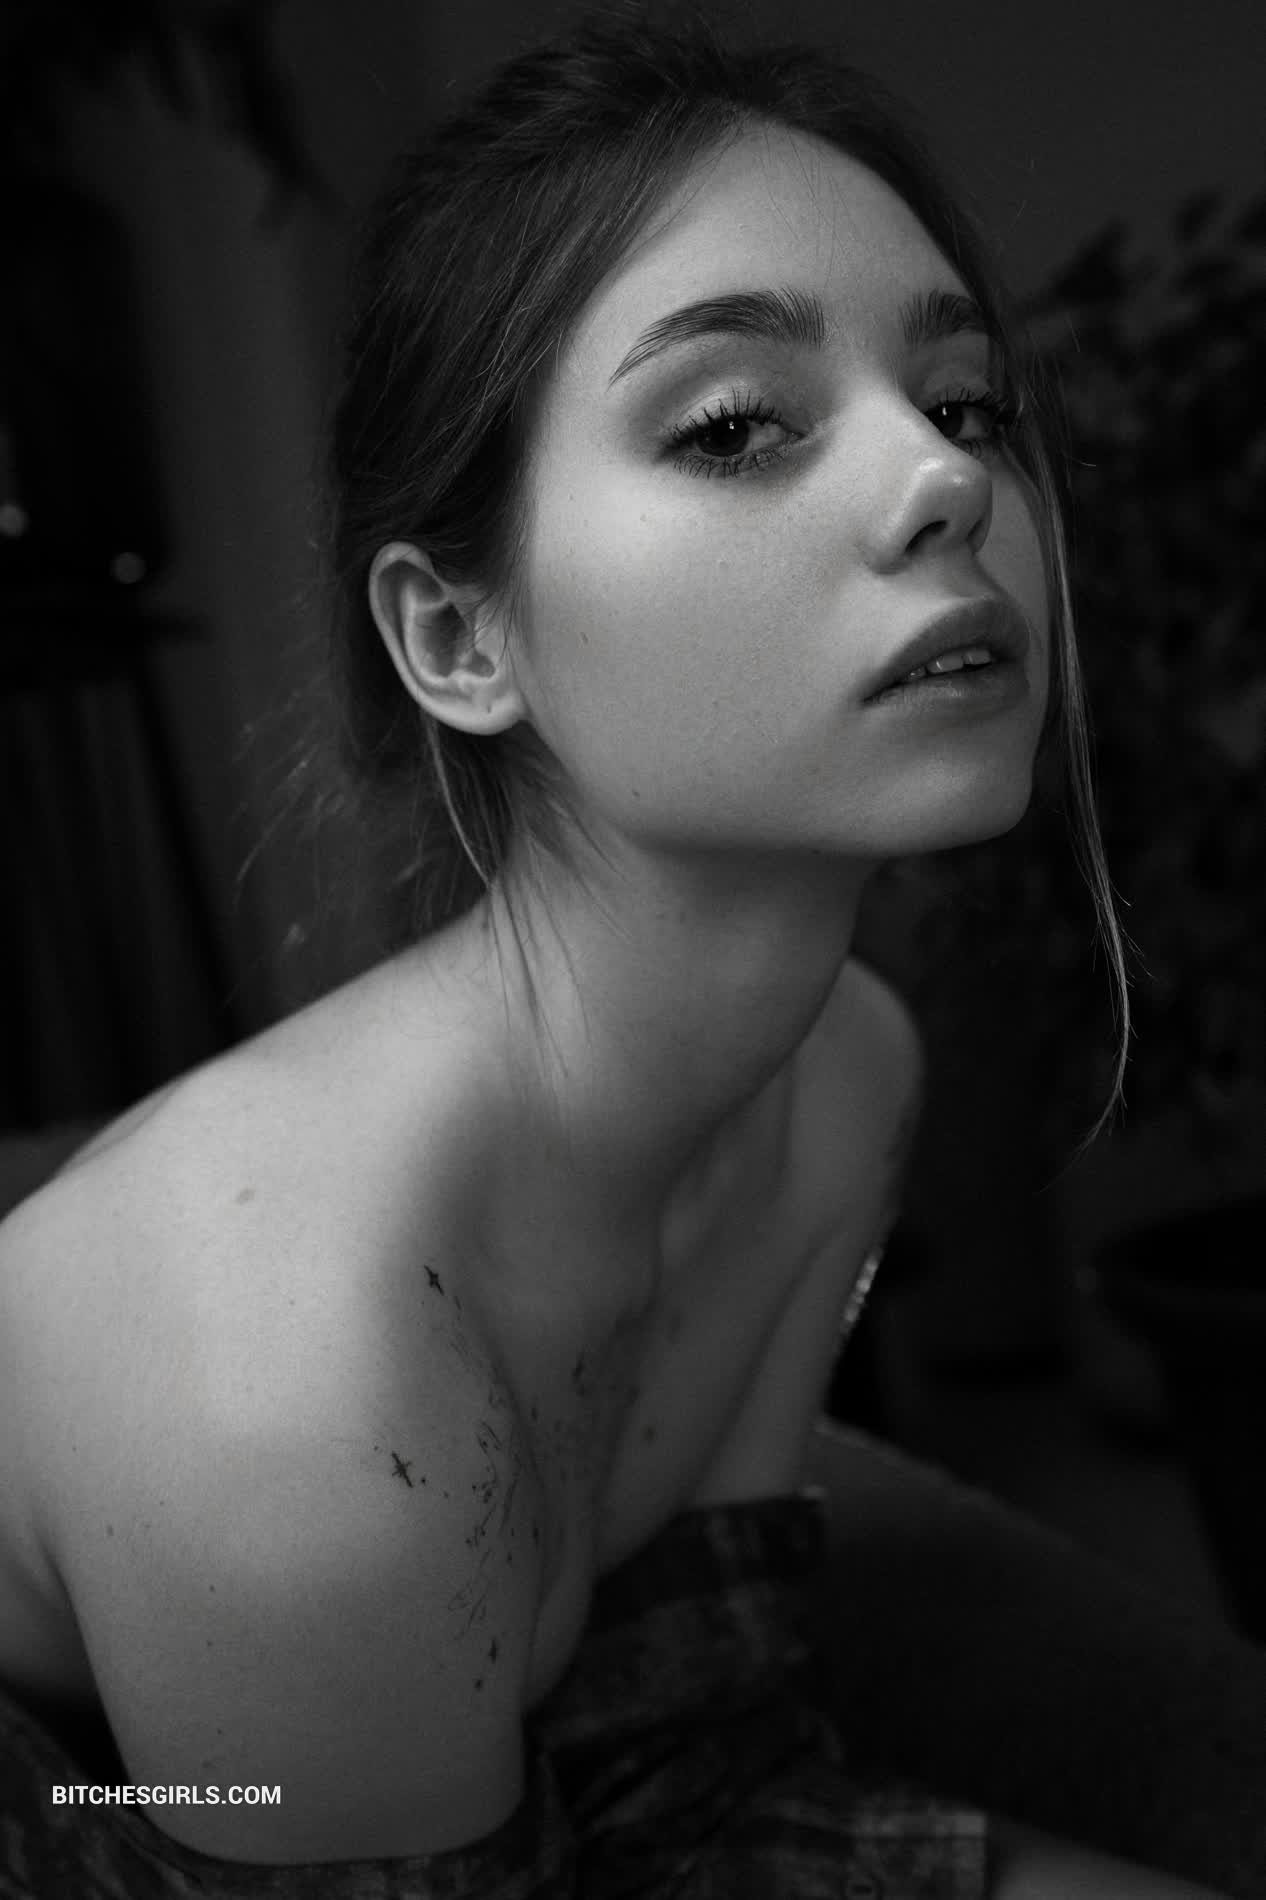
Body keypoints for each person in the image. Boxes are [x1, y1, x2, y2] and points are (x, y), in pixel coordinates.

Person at [0, 3, 1231, 1894]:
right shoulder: (297, 1402)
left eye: (968, 401)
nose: (949, 480)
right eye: (733, 425)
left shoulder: (845, 1076)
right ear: (457, 640)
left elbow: (693, 1769)